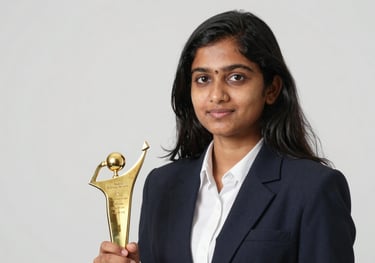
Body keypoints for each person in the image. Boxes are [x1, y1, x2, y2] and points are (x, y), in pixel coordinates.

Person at [94, 10, 356, 263]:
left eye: (236, 77)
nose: (217, 95)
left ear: (272, 89)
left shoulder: (313, 189)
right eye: (203, 79)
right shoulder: (162, 185)